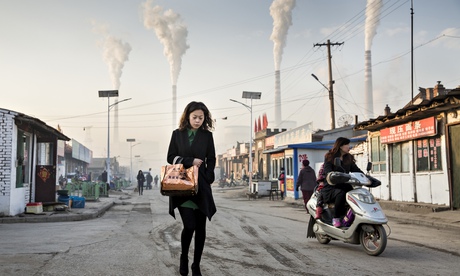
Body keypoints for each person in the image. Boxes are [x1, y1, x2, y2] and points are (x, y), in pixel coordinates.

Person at [166, 101, 216, 276]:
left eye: (201, 118)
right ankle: (184, 257)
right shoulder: (177, 134)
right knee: (190, 225)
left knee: (201, 229)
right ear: (187, 116)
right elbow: (170, 157)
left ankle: (196, 265)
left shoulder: (207, 136)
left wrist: (209, 176)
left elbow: (211, 158)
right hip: (182, 186)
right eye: (194, 117)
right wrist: (190, 161)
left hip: (201, 186)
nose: (197, 120)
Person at [321, 137, 364, 227]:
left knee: (356, 194)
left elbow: (356, 170)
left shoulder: (348, 158)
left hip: (345, 185)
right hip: (331, 186)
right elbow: (327, 170)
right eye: (347, 145)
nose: (349, 147)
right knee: (340, 193)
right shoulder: (330, 156)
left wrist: (366, 177)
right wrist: (332, 175)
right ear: (340, 146)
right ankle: (336, 218)